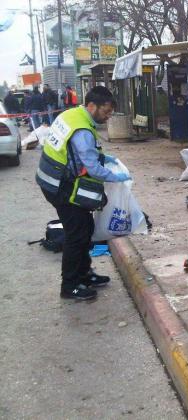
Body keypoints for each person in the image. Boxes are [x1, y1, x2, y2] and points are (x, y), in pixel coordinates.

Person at [35, 86, 130, 301]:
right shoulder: (82, 130)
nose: (108, 116)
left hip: (52, 179)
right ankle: (70, 286)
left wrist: (105, 158)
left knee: (85, 228)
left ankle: (84, 275)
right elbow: (93, 169)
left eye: (110, 112)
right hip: (60, 186)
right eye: (106, 112)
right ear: (91, 106)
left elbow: (76, 154)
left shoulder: (73, 115)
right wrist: (116, 177)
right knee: (76, 235)